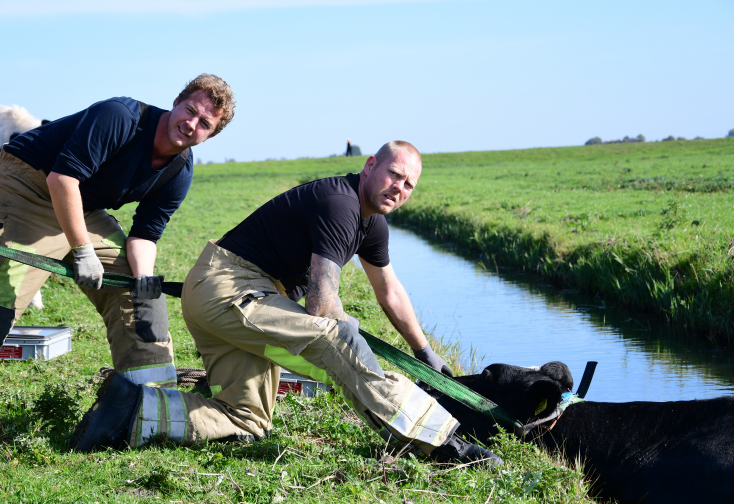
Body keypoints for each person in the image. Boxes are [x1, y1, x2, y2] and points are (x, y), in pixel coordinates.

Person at [71, 141, 503, 467]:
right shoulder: (340, 204)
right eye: (394, 174)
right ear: (370, 165)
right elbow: (320, 303)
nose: (400, 188)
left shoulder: (373, 226)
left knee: (246, 419)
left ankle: (128, 411)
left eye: (409, 184)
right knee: (338, 339)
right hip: (230, 289)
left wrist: (424, 352)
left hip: (238, 297)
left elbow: (389, 289)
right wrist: (347, 334)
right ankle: (442, 444)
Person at [0, 74, 235, 425]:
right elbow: (63, 179)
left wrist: (143, 277)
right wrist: (83, 250)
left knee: (140, 296)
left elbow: (145, 235)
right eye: (190, 110)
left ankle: (148, 407)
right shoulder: (120, 116)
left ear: (210, 135)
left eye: (204, 123)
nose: (191, 123)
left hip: (81, 206)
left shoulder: (179, 171)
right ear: (176, 103)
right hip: (27, 185)